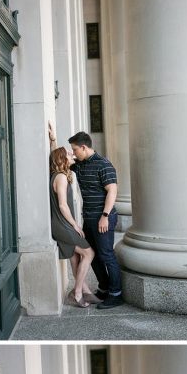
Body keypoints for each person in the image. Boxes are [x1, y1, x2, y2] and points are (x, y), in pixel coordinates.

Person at [48, 122, 124, 309]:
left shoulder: (103, 164)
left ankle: (116, 294)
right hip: (88, 219)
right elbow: (60, 159)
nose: (73, 154)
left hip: (103, 218)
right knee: (95, 255)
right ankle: (104, 288)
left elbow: (112, 191)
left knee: (107, 255)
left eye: (75, 150)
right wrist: (53, 140)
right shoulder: (79, 165)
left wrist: (105, 215)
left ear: (84, 147)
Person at [49, 146, 99, 307]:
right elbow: (63, 205)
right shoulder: (61, 178)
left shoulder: (59, 175)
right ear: (62, 159)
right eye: (69, 154)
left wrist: (53, 139)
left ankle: (86, 291)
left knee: (75, 257)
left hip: (61, 224)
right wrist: (75, 225)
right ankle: (77, 292)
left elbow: (55, 152)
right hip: (63, 225)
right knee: (89, 253)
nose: (72, 155)